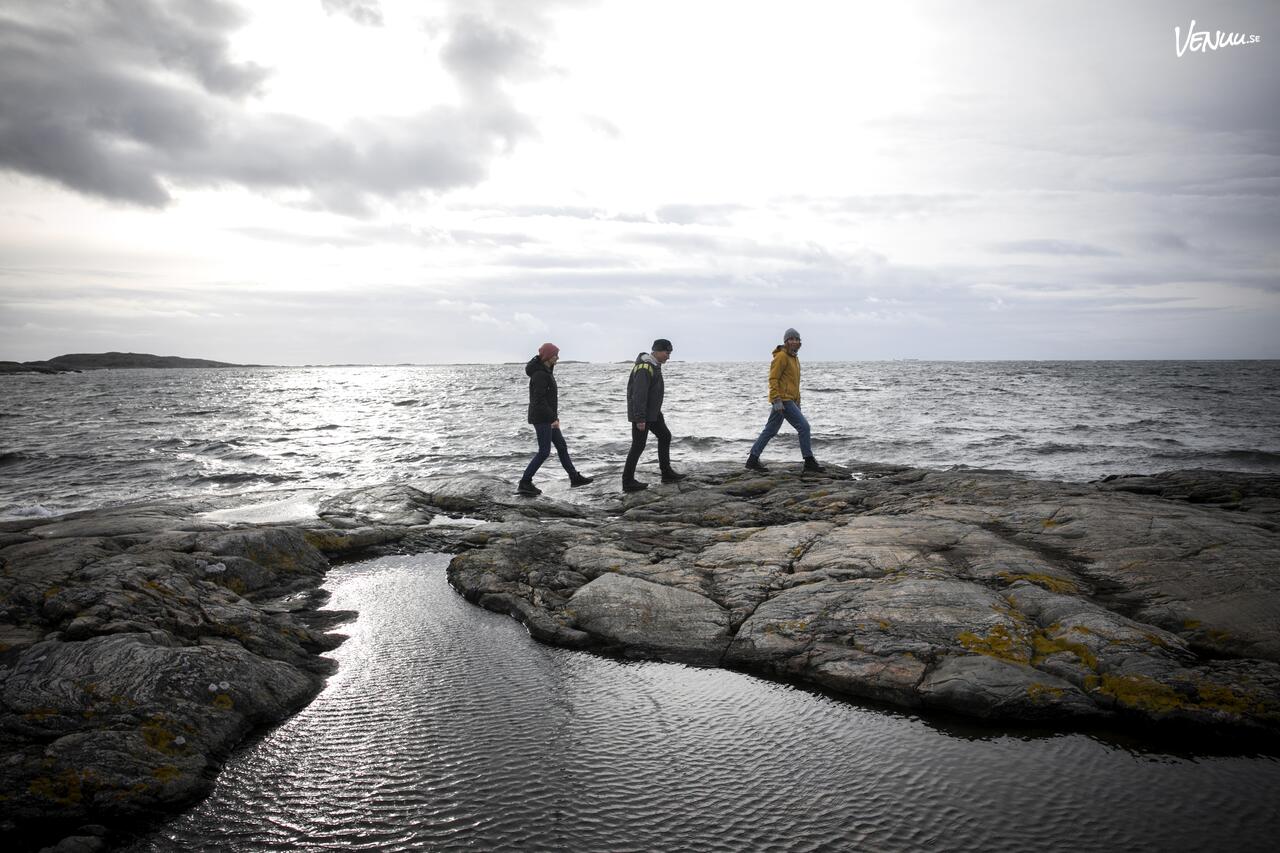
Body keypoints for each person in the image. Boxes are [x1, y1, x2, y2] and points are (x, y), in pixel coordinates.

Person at [745, 328, 826, 473]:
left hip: (790, 400)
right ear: (786, 341)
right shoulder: (781, 357)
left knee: (770, 430)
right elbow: (773, 379)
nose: (794, 341)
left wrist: (798, 401)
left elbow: (794, 383)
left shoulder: (794, 358)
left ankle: (752, 460)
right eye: (791, 339)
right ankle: (809, 461)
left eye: (797, 339)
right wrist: (776, 400)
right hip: (782, 400)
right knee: (804, 427)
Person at [518, 343, 593, 496]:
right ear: (547, 356)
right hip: (542, 418)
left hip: (548, 417)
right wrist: (553, 418)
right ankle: (525, 482)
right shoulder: (540, 374)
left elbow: (548, 399)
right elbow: (539, 401)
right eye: (555, 355)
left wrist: (554, 417)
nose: (557, 358)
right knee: (544, 451)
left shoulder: (546, 371)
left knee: (561, 446)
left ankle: (574, 477)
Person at [622, 338, 685, 492]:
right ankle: (627, 481)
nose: (668, 357)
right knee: (638, 446)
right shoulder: (645, 367)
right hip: (643, 415)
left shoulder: (654, 365)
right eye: (666, 352)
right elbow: (639, 395)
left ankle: (666, 472)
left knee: (665, 436)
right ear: (656, 350)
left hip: (653, 413)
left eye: (669, 353)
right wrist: (640, 418)